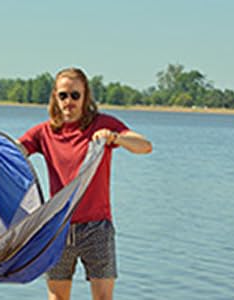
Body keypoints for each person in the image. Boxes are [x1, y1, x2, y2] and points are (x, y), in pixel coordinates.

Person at [18, 67, 152, 300]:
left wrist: (114, 137)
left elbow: (144, 145)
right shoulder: (44, 132)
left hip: (97, 227)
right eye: (63, 95)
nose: (68, 101)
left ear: (85, 97)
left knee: (102, 298)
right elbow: (15, 151)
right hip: (58, 227)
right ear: (55, 97)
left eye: (75, 95)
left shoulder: (102, 125)